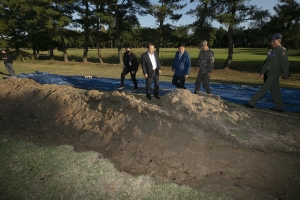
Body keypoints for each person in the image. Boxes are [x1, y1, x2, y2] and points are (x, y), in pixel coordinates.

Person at [244, 33, 290, 112]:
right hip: (271, 71)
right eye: (271, 41)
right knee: (275, 91)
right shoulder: (273, 50)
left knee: (264, 88)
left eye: (273, 41)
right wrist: (262, 72)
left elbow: (285, 63)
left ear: (279, 41)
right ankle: (279, 107)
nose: (271, 42)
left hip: (275, 72)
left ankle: (251, 103)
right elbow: (267, 62)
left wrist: (285, 74)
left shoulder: (282, 50)